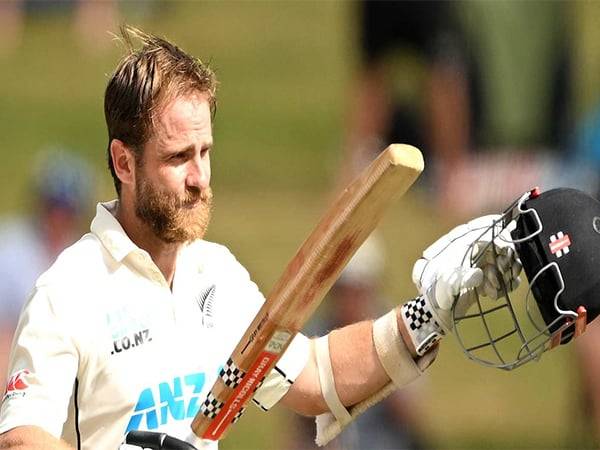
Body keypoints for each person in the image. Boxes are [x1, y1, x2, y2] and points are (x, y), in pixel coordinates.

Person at [0, 26, 519, 450]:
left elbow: (318, 376)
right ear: (123, 162)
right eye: (179, 157)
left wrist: (431, 312)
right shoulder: (68, 291)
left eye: (205, 151)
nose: (200, 176)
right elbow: (22, 437)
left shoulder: (215, 273)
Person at [0, 149, 93, 388]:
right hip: (14, 360)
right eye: (53, 208)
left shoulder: (87, 255)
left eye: (66, 210)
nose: (58, 217)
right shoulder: (12, 246)